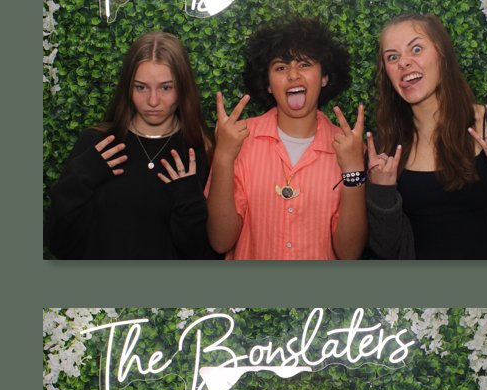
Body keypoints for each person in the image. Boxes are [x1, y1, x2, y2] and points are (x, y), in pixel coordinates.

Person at [365, 13, 487, 259]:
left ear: (442, 55)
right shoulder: (384, 147)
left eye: (416, 49)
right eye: (392, 57)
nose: (403, 63)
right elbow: (385, 248)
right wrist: (381, 192)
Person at [205, 16, 367, 260]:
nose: (293, 75)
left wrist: (354, 170)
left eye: (304, 64)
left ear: (324, 77)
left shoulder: (349, 148)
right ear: (268, 84)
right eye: (281, 67)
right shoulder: (239, 139)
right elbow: (220, 241)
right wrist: (223, 156)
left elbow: (350, 253)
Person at [45, 31, 216, 259]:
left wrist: (189, 202)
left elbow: (205, 255)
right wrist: (80, 177)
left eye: (166, 87)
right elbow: (59, 242)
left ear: (183, 88)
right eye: (141, 87)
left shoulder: (199, 151)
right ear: (128, 87)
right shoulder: (97, 145)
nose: (153, 101)